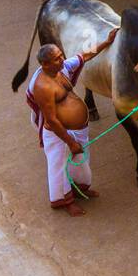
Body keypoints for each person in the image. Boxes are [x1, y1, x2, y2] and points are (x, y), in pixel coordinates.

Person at [25, 32, 116, 216]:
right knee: (58, 165)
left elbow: (84, 55)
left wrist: (106, 42)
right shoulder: (42, 86)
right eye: (57, 59)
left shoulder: (61, 68)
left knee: (81, 161)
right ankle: (64, 201)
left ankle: (79, 189)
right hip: (58, 132)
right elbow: (51, 120)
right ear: (45, 64)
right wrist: (70, 142)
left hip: (78, 128)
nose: (62, 60)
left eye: (61, 56)